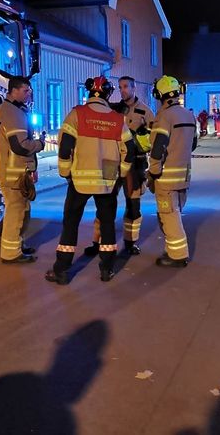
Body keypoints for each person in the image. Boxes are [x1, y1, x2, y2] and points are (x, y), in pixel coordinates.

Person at [46, 77, 135, 285]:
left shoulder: (77, 114)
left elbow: (65, 146)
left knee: (71, 223)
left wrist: (65, 171)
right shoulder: (117, 119)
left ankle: (61, 270)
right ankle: (106, 269)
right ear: (107, 95)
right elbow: (129, 150)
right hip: (107, 177)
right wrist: (121, 173)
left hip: (80, 178)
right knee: (107, 224)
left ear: (89, 93)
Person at [87, 76, 155, 257]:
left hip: (135, 163)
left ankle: (130, 242)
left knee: (133, 204)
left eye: (125, 86)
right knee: (105, 202)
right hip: (112, 162)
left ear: (134, 88)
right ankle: (97, 241)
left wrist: (141, 138)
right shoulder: (113, 109)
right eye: (120, 87)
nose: (122, 90)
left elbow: (154, 139)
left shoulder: (145, 111)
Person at [0, 76, 46, 264]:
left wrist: (32, 168)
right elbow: (20, 146)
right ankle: (10, 254)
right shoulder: (10, 111)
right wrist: (40, 144)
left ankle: (17, 245)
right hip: (13, 174)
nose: (29, 94)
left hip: (18, 172)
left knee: (22, 210)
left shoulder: (14, 110)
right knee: (15, 211)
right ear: (13, 90)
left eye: (30, 90)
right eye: (25, 90)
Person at [148, 75, 197, 267]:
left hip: (166, 178)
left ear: (160, 94)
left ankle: (177, 255)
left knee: (169, 216)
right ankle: (172, 250)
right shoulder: (189, 115)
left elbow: (157, 149)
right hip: (184, 176)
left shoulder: (164, 116)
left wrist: (153, 172)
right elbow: (193, 144)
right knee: (175, 213)